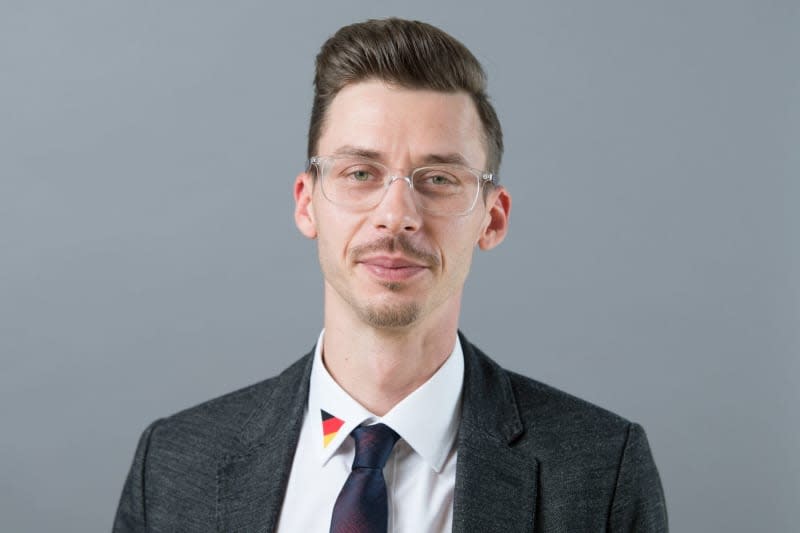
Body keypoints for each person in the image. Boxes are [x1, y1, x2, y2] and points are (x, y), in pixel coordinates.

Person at [113, 17, 667, 533]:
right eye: (360, 173)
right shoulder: (170, 465)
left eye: (439, 179)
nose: (396, 215)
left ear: (492, 218)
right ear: (308, 205)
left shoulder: (601, 474)